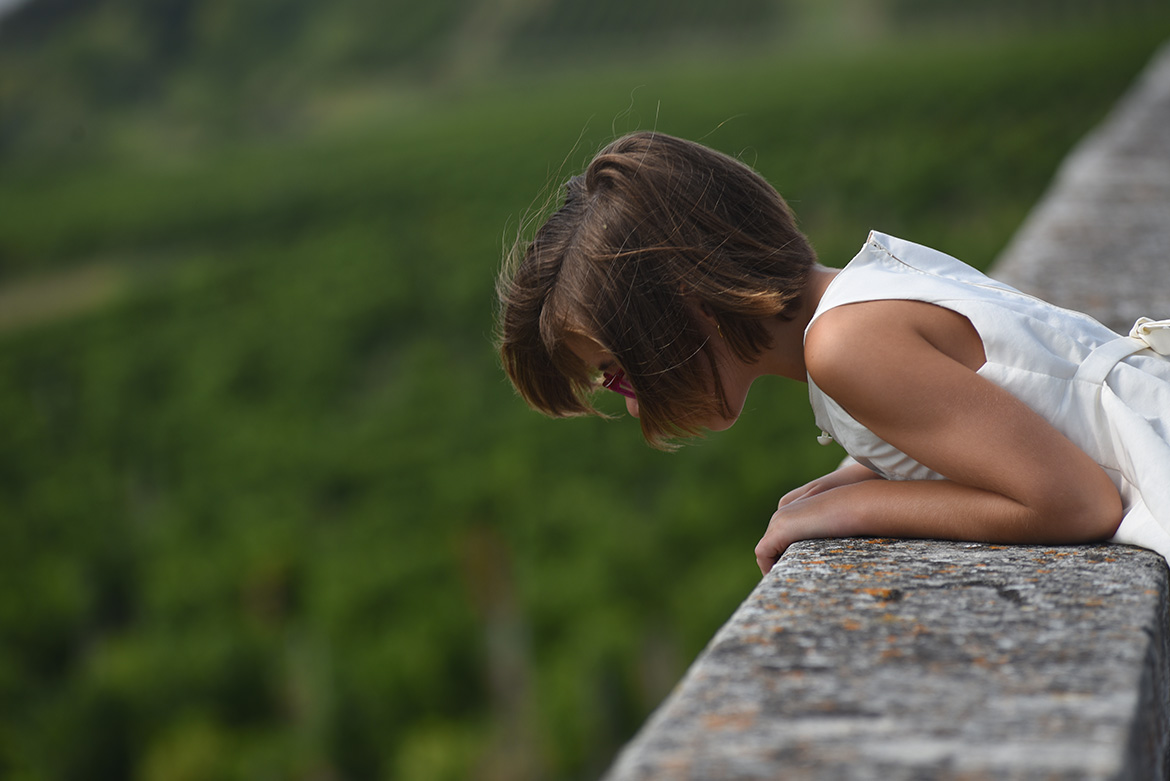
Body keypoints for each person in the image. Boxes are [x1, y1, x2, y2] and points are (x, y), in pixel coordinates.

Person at [495, 131, 1170, 575]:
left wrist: (851, 510)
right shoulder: (867, 292)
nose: (630, 395)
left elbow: (1079, 503)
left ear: (683, 301)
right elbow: (967, 409)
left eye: (617, 369)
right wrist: (859, 472)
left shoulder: (845, 345)